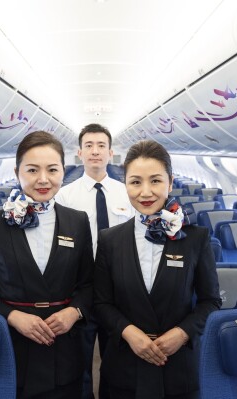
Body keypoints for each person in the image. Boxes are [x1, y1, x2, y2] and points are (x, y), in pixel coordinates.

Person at [0, 131, 94, 399]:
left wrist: (74, 313)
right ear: (17, 171)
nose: (43, 179)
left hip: (65, 347)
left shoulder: (77, 221)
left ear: (63, 171)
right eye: (32, 170)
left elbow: (90, 286)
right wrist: (12, 316)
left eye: (52, 170)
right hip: (14, 347)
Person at [94, 140, 221, 399]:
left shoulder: (196, 238)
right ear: (125, 184)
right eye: (136, 182)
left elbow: (210, 302)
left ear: (170, 183)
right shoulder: (109, 239)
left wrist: (182, 333)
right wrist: (130, 334)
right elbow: (101, 303)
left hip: (178, 368)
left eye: (155, 181)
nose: (145, 192)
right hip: (124, 365)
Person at [55, 123, 134, 399]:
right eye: (89, 145)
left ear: (111, 152)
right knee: (81, 359)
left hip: (119, 287)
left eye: (101, 145)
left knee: (118, 358)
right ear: (79, 153)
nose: (95, 151)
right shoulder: (65, 195)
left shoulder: (127, 192)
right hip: (82, 286)